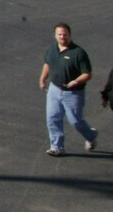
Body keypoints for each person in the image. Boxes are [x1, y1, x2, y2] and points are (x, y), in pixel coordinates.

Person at [42, 22, 98, 157]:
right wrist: (42, 79)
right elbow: (47, 64)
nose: (62, 37)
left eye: (65, 34)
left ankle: (91, 135)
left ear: (70, 35)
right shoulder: (51, 50)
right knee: (52, 118)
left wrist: (76, 81)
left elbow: (87, 74)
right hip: (54, 90)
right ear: (55, 36)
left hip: (73, 93)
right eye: (59, 34)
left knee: (75, 121)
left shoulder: (79, 53)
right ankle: (57, 147)